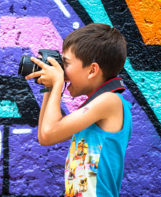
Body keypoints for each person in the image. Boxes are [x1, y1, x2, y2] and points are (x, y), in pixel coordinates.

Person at [25, 23, 132, 197]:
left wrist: (58, 82)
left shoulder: (109, 101)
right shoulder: (97, 105)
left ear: (92, 70)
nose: (62, 72)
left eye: (65, 63)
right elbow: (45, 136)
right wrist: (51, 87)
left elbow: (50, 131)